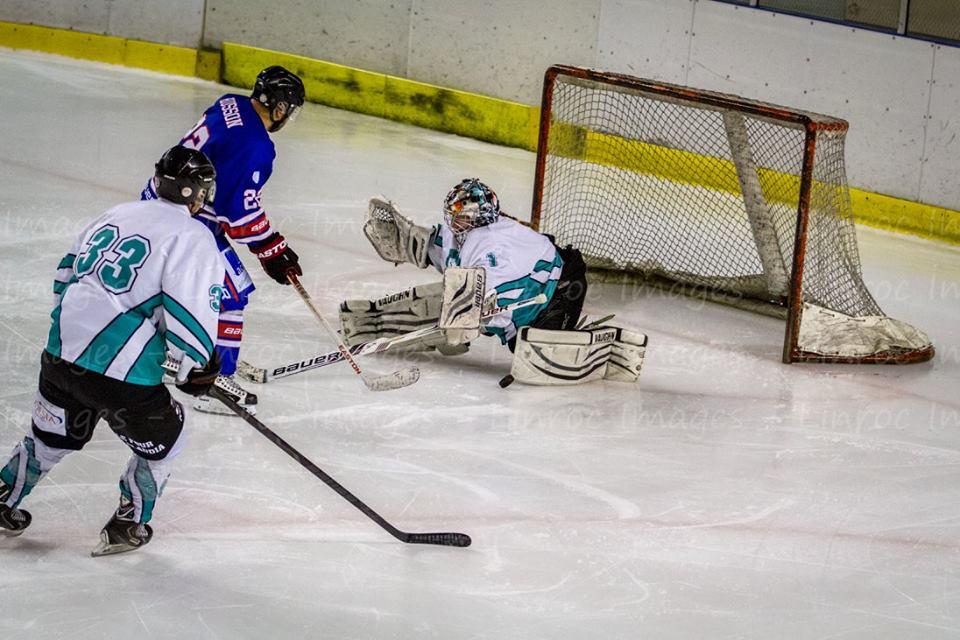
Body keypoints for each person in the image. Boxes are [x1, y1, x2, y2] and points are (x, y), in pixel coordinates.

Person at [0, 146, 226, 555]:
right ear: (197, 194)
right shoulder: (193, 237)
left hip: (60, 356)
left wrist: (71, 338)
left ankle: (4, 496)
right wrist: (196, 366)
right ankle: (129, 523)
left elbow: (65, 278)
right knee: (167, 443)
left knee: (49, 440)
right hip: (123, 379)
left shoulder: (116, 214)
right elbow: (189, 316)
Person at [344, 178, 646, 385]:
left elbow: (473, 308)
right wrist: (409, 239)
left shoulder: (494, 248)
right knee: (452, 302)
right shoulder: (462, 234)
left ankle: (596, 345)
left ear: (479, 218)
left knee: (532, 351)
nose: (454, 222)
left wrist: (462, 319)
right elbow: (439, 250)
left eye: (461, 216)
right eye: (453, 214)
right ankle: (374, 322)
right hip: (528, 292)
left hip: (561, 289)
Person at [143, 65, 306, 414]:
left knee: (163, 285)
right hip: (187, 221)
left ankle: (174, 350)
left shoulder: (230, 102)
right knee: (231, 295)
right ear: (280, 108)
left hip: (159, 198)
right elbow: (238, 214)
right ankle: (213, 383)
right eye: (289, 110)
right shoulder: (257, 145)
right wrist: (273, 249)